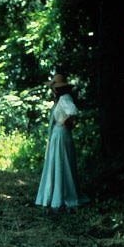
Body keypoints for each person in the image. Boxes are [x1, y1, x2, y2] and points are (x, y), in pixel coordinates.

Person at [35, 73, 88, 210]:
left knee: (62, 162)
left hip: (61, 134)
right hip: (57, 135)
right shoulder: (59, 99)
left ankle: (64, 196)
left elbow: (73, 111)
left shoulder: (65, 98)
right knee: (56, 162)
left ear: (57, 88)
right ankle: (55, 195)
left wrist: (64, 121)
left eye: (53, 87)